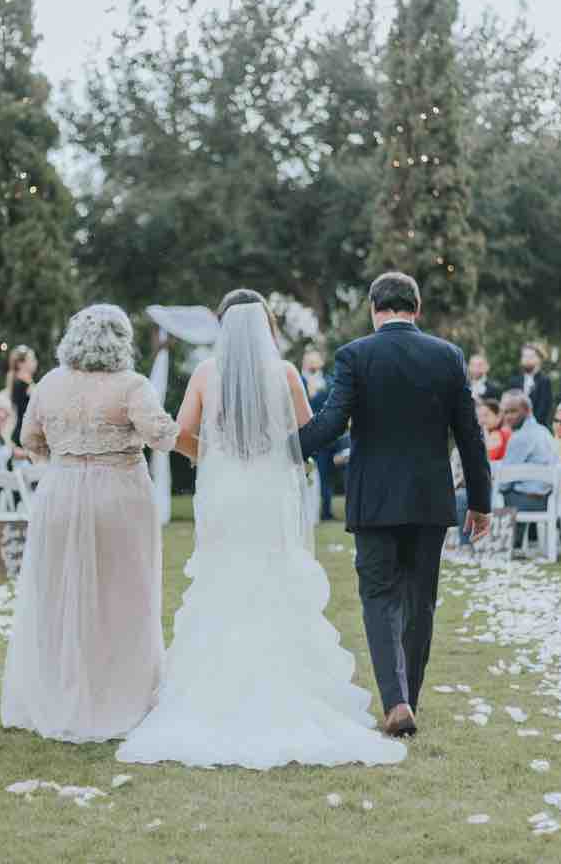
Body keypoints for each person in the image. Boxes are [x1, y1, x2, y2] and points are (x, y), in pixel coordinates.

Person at [116, 289, 409, 767]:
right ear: (267, 326)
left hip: (227, 490)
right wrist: (274, 458)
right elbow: (307, 435)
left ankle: (216, 689)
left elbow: (180, 433)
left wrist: (210, 457)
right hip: (269, 491)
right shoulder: (286, 374)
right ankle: (286, 684)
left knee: (224, 579)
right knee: (274, 576)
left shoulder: (208, 375)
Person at [295, 272, 490, 739]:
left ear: (372, 308)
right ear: (416, 308)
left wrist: (278, 447)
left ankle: (396, 700)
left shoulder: (355, 355)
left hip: (374, 499)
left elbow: (329, 423)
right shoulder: (448, 357)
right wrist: (480, 501)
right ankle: (411, 698)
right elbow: (470, 434)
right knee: (420, 600)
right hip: (429, 498)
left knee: (379, 597)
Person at [1, 307, 183, 746]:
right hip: (118, 497)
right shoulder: (132, 386)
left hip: (60, 495)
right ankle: (120, 695)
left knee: (60, 595)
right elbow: (163, 437)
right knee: (124, 594)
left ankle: (59, 690)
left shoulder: (48, 384)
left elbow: (28, 440)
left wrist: (67, 457)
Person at [498, 389, 558, 550]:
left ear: (527, 410)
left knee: (494, 492)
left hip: (528, 501)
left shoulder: (520, 437)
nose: (508, 416)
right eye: (505, 412)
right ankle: (514, 544)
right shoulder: (544, 431)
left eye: (513, 411)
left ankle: (498, 546)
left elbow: (504, 481)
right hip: (548, 499)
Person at [301, 348, 348, 522]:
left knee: (326, 477)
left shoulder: (328, 381)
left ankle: (326, 512)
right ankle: (310, 513)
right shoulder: (300, 381)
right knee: (315, 475)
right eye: (309, 360)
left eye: (315, 360)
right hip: (310, 436)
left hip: (329, 438)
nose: (313, 364)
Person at [506, 344, 554, 427]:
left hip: (537, 427)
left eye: (531, 356)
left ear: (539, 359)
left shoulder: (544, 381)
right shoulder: (514, 381)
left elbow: (543, 410)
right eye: (524, 356)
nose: (527, 359)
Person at [5, 345, 37, 452]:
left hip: (24, 434)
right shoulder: (21, 385)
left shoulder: (20, 383)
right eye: (32, 359)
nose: (35, 362)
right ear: (21, 363)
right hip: (24, 435)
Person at [479, 397, 510, 461]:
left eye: (486, 415)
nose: (482, 420)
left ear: (498, 416)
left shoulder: (496, 435)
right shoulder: (506, 431)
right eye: (480, 416)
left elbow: (487, 458)